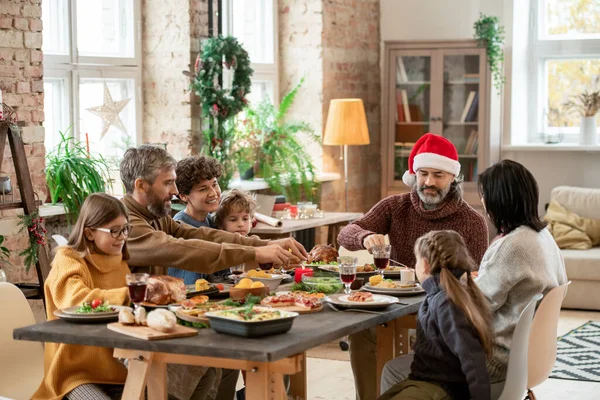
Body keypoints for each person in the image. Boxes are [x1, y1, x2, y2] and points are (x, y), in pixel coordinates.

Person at [33, 193, 238, 400]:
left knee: (204, 370)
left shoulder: (118, 260)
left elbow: (131, 311)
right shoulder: (68, 258)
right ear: (89, 233)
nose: (122, 237)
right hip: (77, 375)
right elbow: (75, 300)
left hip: (121, 368)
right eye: (114, 231)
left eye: (125, 229)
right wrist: (132, 294)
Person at [336, 133, 489, 400]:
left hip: (440, 310)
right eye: (423, 173)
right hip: (392, 300)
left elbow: (474, 282)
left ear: (453, 177)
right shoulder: (395, 206)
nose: (429, 182)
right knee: (361, 332)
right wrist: (363, 237)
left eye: (438, 175)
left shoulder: (472, 222)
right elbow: (345, 234)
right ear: (414, 174)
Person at [119, 145, 307, 276]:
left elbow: (202, 235)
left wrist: (264, 244)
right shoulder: (126, 222)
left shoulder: (154, 215)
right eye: (168, 183)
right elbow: (180, 249)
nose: (175, 191)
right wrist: (254, 253)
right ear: (141, 186)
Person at [474, 160, 567, 385]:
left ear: (499, 200)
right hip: (533, 357)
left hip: (498, 361)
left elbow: (477, 303)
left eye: (485, 194)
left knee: (401, 366)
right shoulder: (544, 237)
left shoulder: (513, 245)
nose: (483, 201)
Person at [379, 230, 492, 400]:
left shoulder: (446, 303)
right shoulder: (440, 296)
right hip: (425, 381)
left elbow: (472, 357)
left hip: (443, 388)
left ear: (424, 265)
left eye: (416, 260)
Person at [168, 155, 223, 284]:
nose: (213, 193)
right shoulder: (180, 226)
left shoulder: (211, 220)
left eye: (214, 184)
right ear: (183, 196)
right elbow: (188, 284)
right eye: (203, 189)